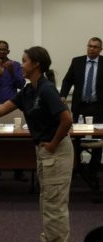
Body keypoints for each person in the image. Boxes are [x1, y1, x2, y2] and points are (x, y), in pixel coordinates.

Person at [0, 46, 74, 242]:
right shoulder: (29, 90)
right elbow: (0, 109)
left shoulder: (46, 88)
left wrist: (52, 144)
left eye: (24, 61)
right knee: (48, 204)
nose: (20, 65)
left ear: (36, 64)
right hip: (45, 152)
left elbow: (67, 119)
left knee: (54, 207)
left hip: (56, 151)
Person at [60, 37, 103, 203]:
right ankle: (77, 167)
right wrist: (63, 95)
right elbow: (67, 80)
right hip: (80, 107)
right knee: (75, 138)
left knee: (98, 139)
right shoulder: (77, 61)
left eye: (95, 47)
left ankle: (92, 171)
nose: (92, 49)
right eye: (90, 46)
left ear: (100, 49)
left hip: (99, 107)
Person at [0, 40, 27, 182]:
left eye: (4, 49)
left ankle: (18, 171)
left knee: (16, 140)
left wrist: (12, 72)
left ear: (8, 51)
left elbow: (21, 84)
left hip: (12, 109)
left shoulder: (16, 66)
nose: (2, 51)